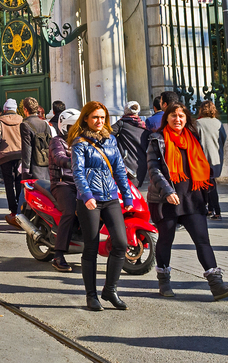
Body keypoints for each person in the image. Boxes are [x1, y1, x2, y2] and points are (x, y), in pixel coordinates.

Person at [146, 102, 228, 300]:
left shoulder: (193, 138)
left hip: (192, 197)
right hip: (166, 199)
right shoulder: (157, 139)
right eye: (174, 115)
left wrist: (210, 196)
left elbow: (203, 166)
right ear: (166, 118)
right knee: (166, 240)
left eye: (181, 116)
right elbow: (154, 169)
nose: (178, 119)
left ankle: (216, 284)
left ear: (187, 119)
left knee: (203, 240)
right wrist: (168, 191)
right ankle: (164, 280)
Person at [70, 101, 133, 311]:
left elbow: (120, 170)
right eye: (95, 117)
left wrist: (128, 196)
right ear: (86, 118)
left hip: (111, 198)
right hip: (90, 200)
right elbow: (77, 172)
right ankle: (91, 295)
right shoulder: (80, 143)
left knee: (121, 243)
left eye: (102, 117)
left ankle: (110, 290)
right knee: (91, 247)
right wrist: (86, 195)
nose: (99, 121)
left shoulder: (111, 140)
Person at [49, 108, 81, 273]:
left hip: (81, 182)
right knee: (69, 211)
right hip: (62, 183)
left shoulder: (83, 141)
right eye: (73, 127)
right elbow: (59, 158)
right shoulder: (57, 141)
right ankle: (58, 255)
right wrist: (72, 162)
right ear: (64, 127)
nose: (76, 130)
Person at [0, 98, 24, 227]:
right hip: (20, 154)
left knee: (8, 183)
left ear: (4, 110)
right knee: (19, 181)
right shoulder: (21, 120)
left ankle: (13, 210)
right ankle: (20, 209)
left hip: (5, 156)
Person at [196, 100, 227, 220]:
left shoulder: (198, 123)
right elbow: (223, 138)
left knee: (207, 185)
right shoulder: (218, 123)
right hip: (216, 158)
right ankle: (210, 209)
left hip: (203, 158)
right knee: (211, 183)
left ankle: (216, 210)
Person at [112, 101, 147, 183]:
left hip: (126, 163)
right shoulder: (144, 126)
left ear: (125, 110)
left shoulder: (121, 124)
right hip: (141, 163)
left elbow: (106, 134)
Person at [21, 97, 53, 182]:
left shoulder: (25, 124)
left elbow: (27, 148)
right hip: (46, 164)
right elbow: (50, 143)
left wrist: (25, 170)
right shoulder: (45, 124)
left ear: (25, 109)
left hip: (34, 164)